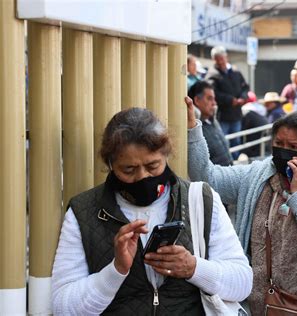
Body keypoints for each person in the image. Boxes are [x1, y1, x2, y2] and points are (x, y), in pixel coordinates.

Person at [52, 107, 252, 315]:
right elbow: (63, 307)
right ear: (111, 164)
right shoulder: (84, 211)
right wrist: (116, 270)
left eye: (153, 165)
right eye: (128, 170)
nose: (142, 177)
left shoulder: (201, 199)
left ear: (166, 155)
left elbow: (243, 282)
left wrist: (193, 267)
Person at [186, 97, 297, 316]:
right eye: (278, 144)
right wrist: (192, 129)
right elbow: (207, 177)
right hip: (256, 306)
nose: (283, 152)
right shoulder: (258, 175)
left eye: (293, 147)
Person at [205, 46, 249, 142]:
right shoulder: (212, 74)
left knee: (236, 142)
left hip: (236, 114)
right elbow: (212, 93)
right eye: (217, 59)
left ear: (226, 57)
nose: (220, 62)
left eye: (222, 58)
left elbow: (245, 87)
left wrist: (243, 97)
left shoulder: (236, 72)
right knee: (223, 142)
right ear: (214, 60)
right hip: (222, 116)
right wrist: (230, 100)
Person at [188, 81, 233, 166]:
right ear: (197, 100)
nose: (214, 103)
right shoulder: (193, 130)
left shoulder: (213, 121)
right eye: (209, 98)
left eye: (214, 99)